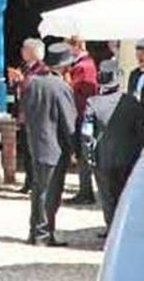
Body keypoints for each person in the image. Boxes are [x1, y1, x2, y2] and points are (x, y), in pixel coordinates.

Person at [23, 42, 78, 247]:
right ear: (64, 66)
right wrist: (75, 149)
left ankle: (36, 231)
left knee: (39, 189)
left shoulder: (32, 83)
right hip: (55, 145)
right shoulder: (61, 87)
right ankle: (44, 233)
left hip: (36, 142)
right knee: (51, 192)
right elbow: (69, 122)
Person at [82, 64, 144, 235]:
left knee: (107, 198)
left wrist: (89, 156)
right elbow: (140, 131)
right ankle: (125, 230)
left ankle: (111, 230)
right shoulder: (131, 102)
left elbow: (86, 134)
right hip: (129, 158)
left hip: (103, 158)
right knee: (125, 196)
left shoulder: (93, 103)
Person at [7, 38, 48, 194]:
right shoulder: (24, 67)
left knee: (35, 150)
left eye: (25, 49)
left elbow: (37, 88)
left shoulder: (42, 69)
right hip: (23, 113)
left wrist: (22, 80)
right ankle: (29, 181)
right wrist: (14, 81)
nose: (22, 51)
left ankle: (37, 182)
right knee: (26, 149)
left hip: (36, 115)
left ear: (33, 52)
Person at [66, 37, 98, 204]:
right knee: (80, 153)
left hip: (83, 114)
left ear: (76, 46)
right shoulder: (81, 65)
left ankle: (86, 192)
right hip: (81, 113)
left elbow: (78, 90)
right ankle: (84, 190)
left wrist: (67, 81)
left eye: (69, 47)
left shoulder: (84, 66)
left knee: (83, 154)